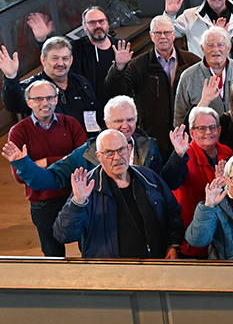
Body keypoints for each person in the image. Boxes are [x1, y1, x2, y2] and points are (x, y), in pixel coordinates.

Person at [53, 129, 184, 259]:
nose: (117, 157)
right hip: (111, 273)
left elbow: (172, 213)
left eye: (121, 150)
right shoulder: (87, 187)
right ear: (99, 156)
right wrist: (77, 203)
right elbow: (64, 235)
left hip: (156, 268)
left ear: (129, 150)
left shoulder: (149, 178)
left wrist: (173, 244)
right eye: (109, 152)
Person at [4, 96, 169, 196]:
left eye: (130, 120)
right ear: (106, 122)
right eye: (118, 121)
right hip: (103, 225)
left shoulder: (149, 147)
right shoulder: (87, 152)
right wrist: (23, 164)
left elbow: (162, 184)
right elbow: (51, 179)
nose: (125, 126)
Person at [4, 80, 87, 256]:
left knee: (87, 246)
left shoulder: (71, 124)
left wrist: (43, 162)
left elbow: (84, 162)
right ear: (29, 103)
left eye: (50, 97)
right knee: (52, 254)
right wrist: (66, 160)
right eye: (38, 99)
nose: (45, 103)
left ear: (56, 100)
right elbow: (20, 177)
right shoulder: (18, 132)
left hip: (75, 196)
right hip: (43, 202)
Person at [105, 15, 201, 156]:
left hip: (186, 134)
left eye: (167, 32)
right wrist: (119, 67)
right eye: (158, 33)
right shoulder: (138, 65)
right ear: (151, 35)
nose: (163, 36)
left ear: (174, 35)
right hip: (153, 136)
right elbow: (117, 91)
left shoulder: (192, 61)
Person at [165, 106, 233, 258]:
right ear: (192, 132)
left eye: (212, 127)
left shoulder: (228, 153)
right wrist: (178, 154)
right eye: (202, 128)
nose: (208, 132)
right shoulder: (184, 154)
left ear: (219, 130)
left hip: (223, 239)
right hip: (192, 238)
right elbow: (170, 182)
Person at [1, 37, 101, 136]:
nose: (61, 63)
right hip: (54, 149)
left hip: (88, 145)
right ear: (43, 60)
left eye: (65, 58)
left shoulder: (82, 82)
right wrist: (11, 77)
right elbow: (13, 104)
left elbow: (95, 113)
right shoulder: (32, 87)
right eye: (55, 58)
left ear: (71, 60)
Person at [173, 26, 233, 129]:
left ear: (228, 47)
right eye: (210, 45)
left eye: (220, 45)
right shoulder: (188, 76)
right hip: (206, 138)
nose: (216, 50)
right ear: (202, 48)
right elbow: (179, 117)